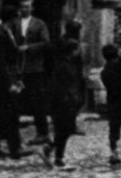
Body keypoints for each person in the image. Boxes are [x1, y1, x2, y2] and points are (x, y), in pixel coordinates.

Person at [0, 5, 32, 160]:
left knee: (6, 113)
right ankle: (13, 149)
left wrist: (17, 78)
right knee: (9, 114)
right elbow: (0, 62)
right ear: (13, 18)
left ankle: (0, 147)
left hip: (9, 77)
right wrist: (9, 83)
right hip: (1, 81)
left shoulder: (7, 32)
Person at [14, 0, 51, 145]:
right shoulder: (14, 23)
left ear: (32, 8)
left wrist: (29, 47)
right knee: (14, 100)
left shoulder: (39, 24)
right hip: (17, 67)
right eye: (22, 6)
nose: (25, 9)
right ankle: (12, 134)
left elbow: (46, 43)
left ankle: (42, 133)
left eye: (27, 6)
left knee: (37, 101)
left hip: (34, 67)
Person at [42, 38, 82, 171]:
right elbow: (65, 86)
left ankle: (52, 148)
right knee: (63, 130)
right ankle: (58, 158)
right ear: (73, 50)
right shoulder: (64, 65)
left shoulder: (67, 63)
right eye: (77, 48)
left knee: (65, 130)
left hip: (64, 101)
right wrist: (71, 100)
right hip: (63, 102)